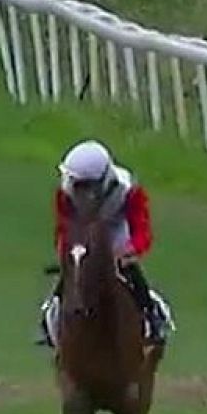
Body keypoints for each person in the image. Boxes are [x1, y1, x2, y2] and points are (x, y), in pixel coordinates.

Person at [35, 139, 170, 346]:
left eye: (83, 186)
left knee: (131, 274)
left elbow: (142, 229)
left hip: (116, 231)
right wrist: (67, 254)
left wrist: (128, 251)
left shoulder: (129, 190)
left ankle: (152, 314)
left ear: (101, 182)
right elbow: (63, 227)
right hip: (82, 233)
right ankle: (49, 321)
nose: (76, 191)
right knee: (73, 274)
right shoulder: (64, 193)